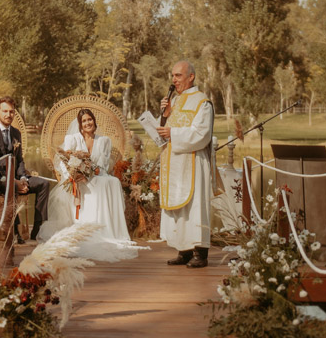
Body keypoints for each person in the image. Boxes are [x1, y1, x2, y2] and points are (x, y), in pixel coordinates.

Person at [37, 108, 143, 262]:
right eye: (84, 121)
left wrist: (92, 170)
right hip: (78, 179)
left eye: (90, 120)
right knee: (102, 183)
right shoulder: (73, 140)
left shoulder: (104, 141)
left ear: (94, 121)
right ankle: (89, 229)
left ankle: (110, 231)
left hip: (98, 175)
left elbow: (104, 167)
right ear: (80, 125)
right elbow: (63, 163)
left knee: (113, 181)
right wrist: (74, 176)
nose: (87, 123)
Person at [156, 60, 214, 268]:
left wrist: (173, 133)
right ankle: (184, 250)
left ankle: (200, 252)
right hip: (174, 162)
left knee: (195, 206)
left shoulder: (201, 102)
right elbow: (165, 129)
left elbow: (202, 134)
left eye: (178, 75)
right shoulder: (176, 101)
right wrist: (165, 115)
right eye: (172, 75)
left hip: (193, 161)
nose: (174, 80)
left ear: (191, 77)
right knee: (180, 208)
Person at [0, 96, 49, 245]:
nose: (8, 115)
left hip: (16, 177)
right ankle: (14, 231)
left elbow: (20, 159)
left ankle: (37, 230)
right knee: (10, 186)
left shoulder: (16, 133)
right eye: (5, 111)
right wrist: (14, 182)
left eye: (11, 112)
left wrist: (22, 178)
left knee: (44, 184)